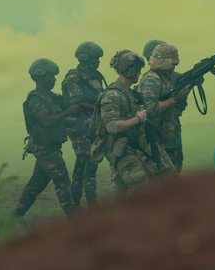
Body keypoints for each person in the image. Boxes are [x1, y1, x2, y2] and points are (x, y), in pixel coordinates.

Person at [94, 49, 175, 198]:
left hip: (132, 146)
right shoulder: (113, 95)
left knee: (122, 191)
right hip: (120, 149)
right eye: (137, 70)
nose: (139, 73)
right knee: (140, 186)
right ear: (130, 70)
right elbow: (112, 127)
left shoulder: (129, 93)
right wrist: (137, 119)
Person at [14, 58, 81, 218]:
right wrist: (68, 112)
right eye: (51, 76)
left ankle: (17, 214)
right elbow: (45, 121)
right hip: (44, 147)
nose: (54, 79)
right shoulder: (35, 99)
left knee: (37, 183)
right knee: (62, 179)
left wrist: (80, 121)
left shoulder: (51, 97)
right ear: (41, 77)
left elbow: (59, 118)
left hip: (50, 146)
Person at [60, 41, 107, 209]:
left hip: (93, 126)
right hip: (79, 127)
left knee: (88, 165)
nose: (98, 62)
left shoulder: (95, 76)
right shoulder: (73, 78)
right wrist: (100, 109)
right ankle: (84, 202)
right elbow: (77, 102)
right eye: (95, 59)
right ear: (85, 58)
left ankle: (84, 202)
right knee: (86, 163)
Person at [137, 43, 191, 172]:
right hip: (156, 139)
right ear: (165, 62)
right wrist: (175, 99)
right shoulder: (152, 80)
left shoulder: (167, 78)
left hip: (170, 137)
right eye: (173, 63)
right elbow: (148, 109)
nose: (174, 66)